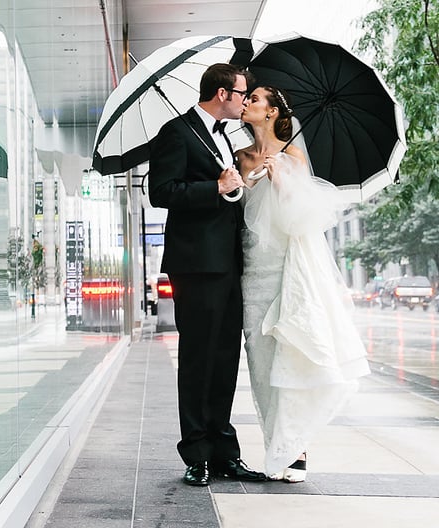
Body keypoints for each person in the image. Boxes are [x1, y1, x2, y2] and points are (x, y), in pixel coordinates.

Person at [236, 86, 370, 482]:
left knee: (291, 354)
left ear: (273, 111)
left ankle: (295, 447)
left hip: (285, 269)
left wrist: (282, 182)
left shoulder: (292, 156)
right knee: (261, 363)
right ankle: (275, 444)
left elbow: (302, 220)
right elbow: (238, 215)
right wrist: (233, 187)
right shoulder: (240, 158)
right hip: (251, 271)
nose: (246, 103)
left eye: (254, 99)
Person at [148, 63, 266, 486]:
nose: (244, 99)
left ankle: (223, 451)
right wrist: (213, 189)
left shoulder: (224, 138)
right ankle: (196, 453)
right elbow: (161, 192)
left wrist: (236, 188)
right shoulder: (175, 133)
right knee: (198, 360)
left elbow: (225, 195)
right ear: (221, 94)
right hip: (195, 265)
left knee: (224, 359)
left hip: (229, 263)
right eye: (241, 93)